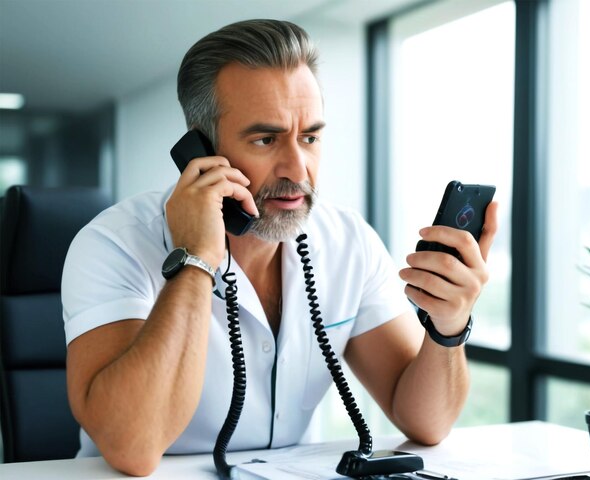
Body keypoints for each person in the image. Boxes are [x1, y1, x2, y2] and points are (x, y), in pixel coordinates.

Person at [62, 19, 497, 477]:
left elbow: (427, 422)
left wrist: (448, 326)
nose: (297, 166)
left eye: (309, 137)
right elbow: (133, 448)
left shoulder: (348, 241)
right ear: (200, 146)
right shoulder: (112, 244)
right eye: (266, 139)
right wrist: (195, 259)